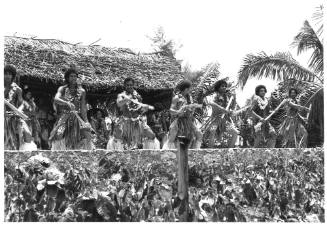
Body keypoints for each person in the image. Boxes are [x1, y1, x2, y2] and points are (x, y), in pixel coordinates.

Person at [49, 68, 93, 150]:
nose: (73, 78)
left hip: (77, 117)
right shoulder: (62, 89)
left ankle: (86, 156)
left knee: (88, 135)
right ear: (67, 78)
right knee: (59, 134)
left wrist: (86, 121)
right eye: (71, 76)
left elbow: (83, 108)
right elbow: (56, 99)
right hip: (64, 117)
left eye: (75, 76)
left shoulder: (82, 91)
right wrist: (66, 103)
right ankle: (59, 154)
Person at [116, 77, 157, 149]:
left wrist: (145, 109)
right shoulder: (121, 95)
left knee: (152, 135)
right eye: (127, 85)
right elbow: (119, 103)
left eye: (131, 85)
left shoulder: (138, 96)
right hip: (126, 122)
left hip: (137, 121)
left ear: (133, 85)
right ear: (125, 86)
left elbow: (139, 111)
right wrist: (126, 99)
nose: (129, 86)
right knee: (122, 141)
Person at [162, 80, 203, 149]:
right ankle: (165, 152)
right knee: (172, 137)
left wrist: (192, 108)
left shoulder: (189, 98)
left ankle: (196, 151)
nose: (191, 90)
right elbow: (170, 110)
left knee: (199, 134)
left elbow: (190, 110)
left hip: (188, 121)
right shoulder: (177, 98)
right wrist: (178, 111)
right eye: (190, 88)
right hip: (178, 121)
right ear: (186, 89)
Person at [202, 80, 239, 148]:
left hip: (225, 120)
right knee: (212, 131)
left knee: (235, 132)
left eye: (225, 86)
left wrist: (235, 97)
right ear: (218, 87)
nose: (224, 87)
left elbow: (233, 107)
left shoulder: (227, 97)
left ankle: (229, 152)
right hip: (215, 119)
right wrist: (222, 109)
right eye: (222, 86)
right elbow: (211, 102)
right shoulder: (215, 95)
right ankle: (210, 151)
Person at [4, 64, 26, 150]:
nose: (7, 76)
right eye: (5, 73)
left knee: (10, 141)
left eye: (10, 74)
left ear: (13, 76)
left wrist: (19, 110)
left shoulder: (17, 89)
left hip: (10, 117)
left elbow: (21, 103)